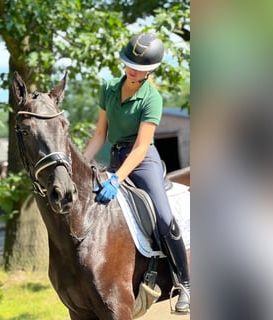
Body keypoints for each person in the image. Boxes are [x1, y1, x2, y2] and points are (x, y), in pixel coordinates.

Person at [83, 32, 190, 313]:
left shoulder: (151, 98)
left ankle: (185, 283)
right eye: (130, 63)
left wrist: (118, 179)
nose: (133, 70)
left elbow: (142, 146)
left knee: (164, 217)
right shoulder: (108, 88)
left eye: (140, 68)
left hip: (144, 162)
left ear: (150, 70)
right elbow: (99, 135)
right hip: (116, 156)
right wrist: (81, 163)